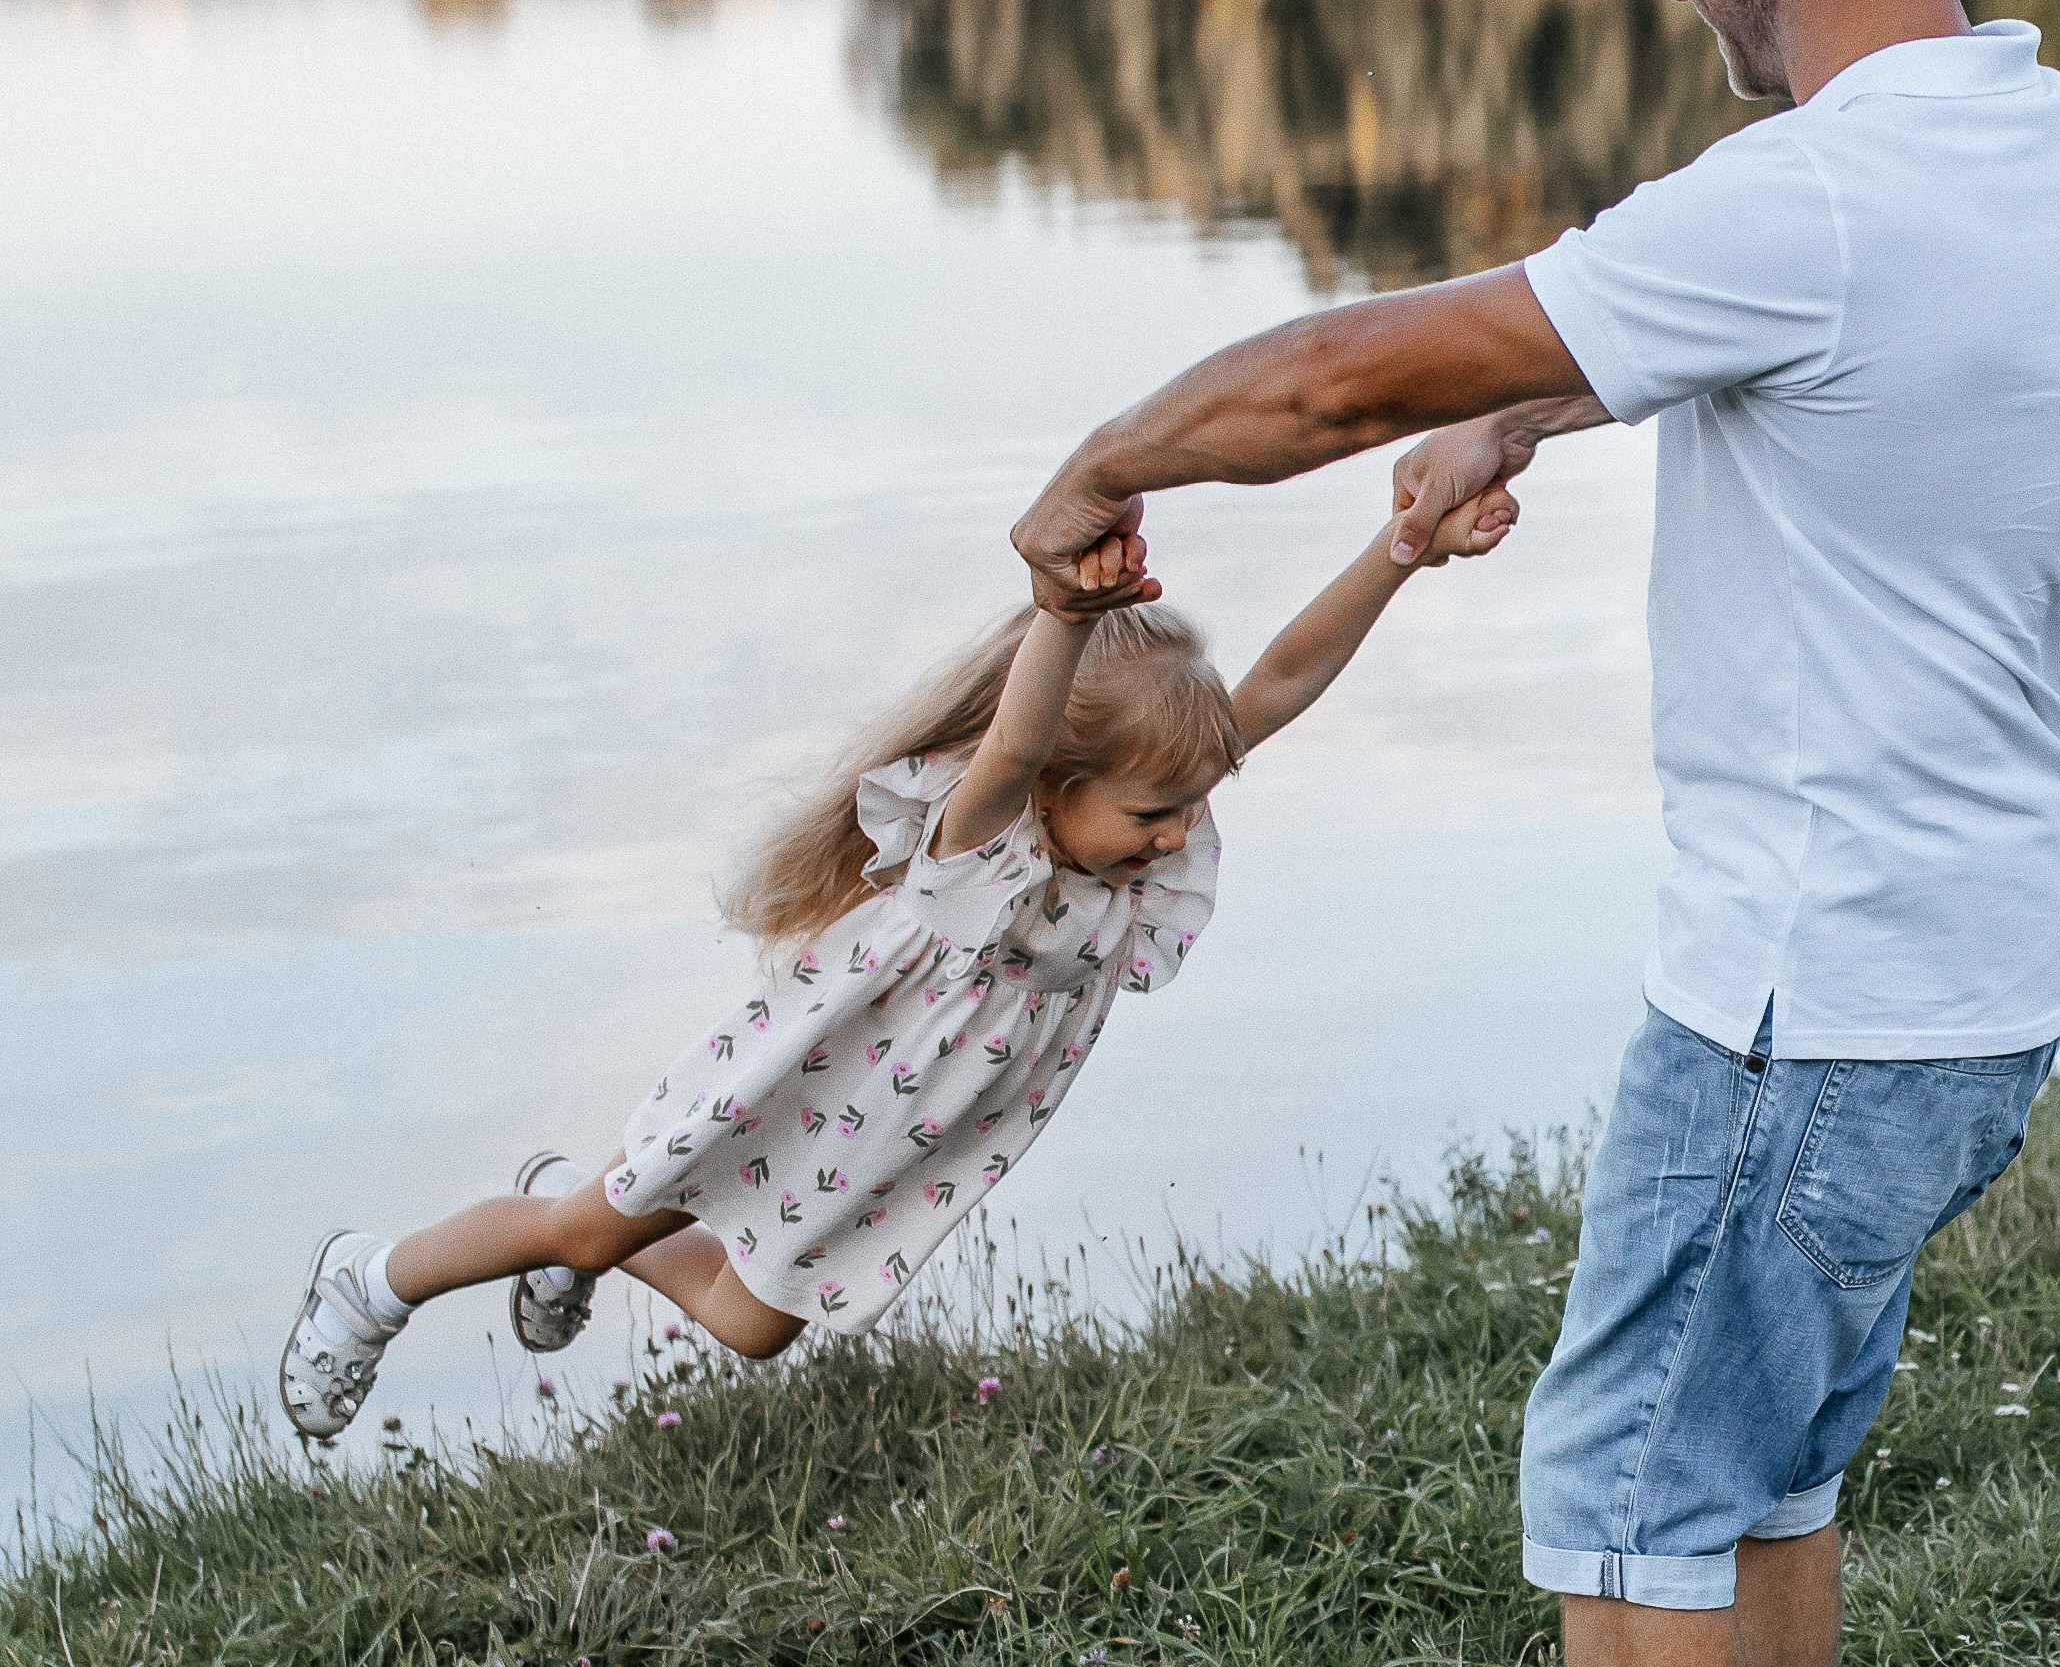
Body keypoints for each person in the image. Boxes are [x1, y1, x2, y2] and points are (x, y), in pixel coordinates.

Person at [1009, 0, 2060, 1667]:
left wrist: (1106, 460)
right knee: (1773, 1467)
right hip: (1970, 964)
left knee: (1637, 1469)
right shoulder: (2045, 144)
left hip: (1795, 982)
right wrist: (1539, 408)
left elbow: (1339, 365)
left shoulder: (1818, 195)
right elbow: (1829, 353)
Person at [276, 492, 1508, 1444]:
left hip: (892, 1137)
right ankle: (371, 1281)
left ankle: (565, 1210)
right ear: (1050, 789)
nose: (1181, 833)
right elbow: (1021, 727)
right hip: (784, 1089)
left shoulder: (1130, 848)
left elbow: (1282, 678)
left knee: (755, 1326)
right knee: (590, 1226)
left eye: (1189, 806)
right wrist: (1061, 618)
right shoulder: (981, 844)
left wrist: (1399, 547)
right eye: (1152, 812)